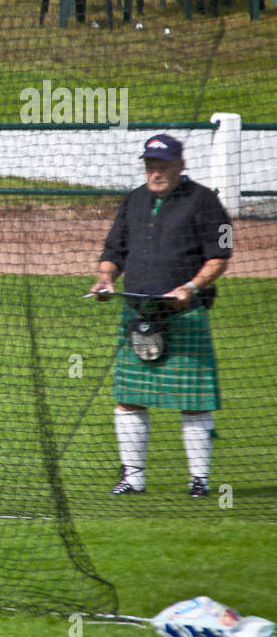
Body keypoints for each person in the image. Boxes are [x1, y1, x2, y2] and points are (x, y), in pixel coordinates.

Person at [89, 133, 232, 497]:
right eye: (151, 166)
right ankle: (133, 478)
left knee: (193, 400)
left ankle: (199, 480)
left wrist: (192, 286)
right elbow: (113, 250)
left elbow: (222, 254)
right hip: (137, 313)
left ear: (181, 165)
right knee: (128, 397)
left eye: (164, 165)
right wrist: (105, 279)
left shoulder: (206, 202)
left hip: (184, 315)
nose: (156, 172)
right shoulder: (133, 200)